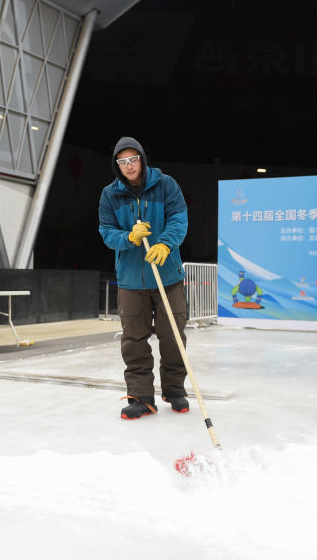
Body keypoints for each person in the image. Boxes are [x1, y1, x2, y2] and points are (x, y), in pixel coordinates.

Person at [99, 137, 190, 420]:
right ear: (117, 165)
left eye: (133, 159)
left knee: (173, 336)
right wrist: (128, 237)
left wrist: (164, 244)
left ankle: (174, 389)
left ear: (142, 159)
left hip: (167, 278)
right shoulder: (109, 195)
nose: (129, 166)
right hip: (130, 282)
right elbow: (106, 231)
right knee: (134, 340)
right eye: (122, 161)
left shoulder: (166, 185)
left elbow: (179, 219)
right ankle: (141, 398)